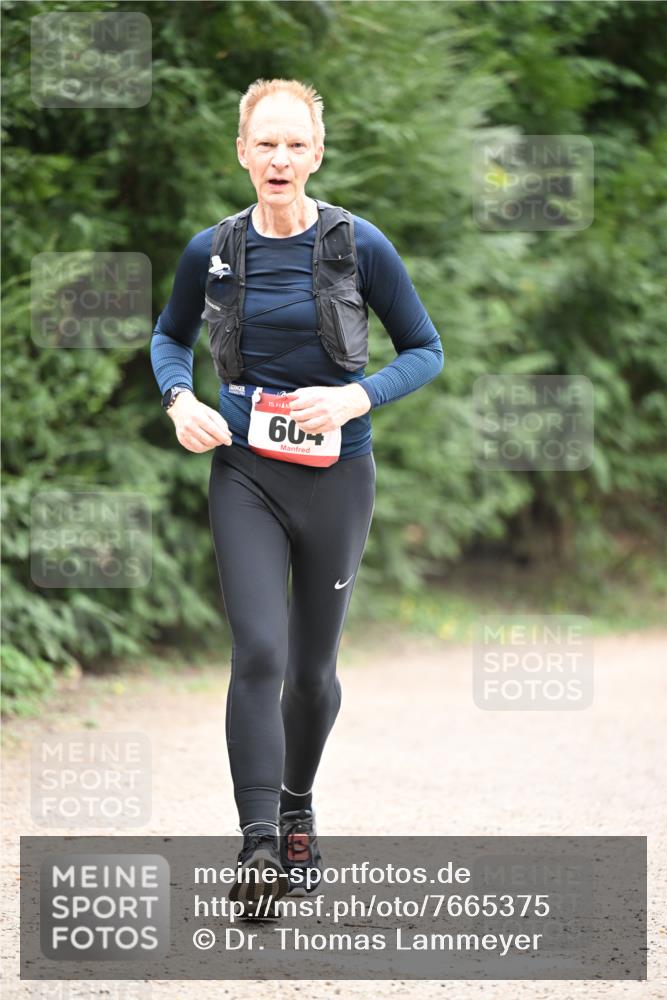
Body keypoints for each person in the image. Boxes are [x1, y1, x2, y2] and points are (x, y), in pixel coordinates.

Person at [150, 77, 444, 913]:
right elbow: (169, 337)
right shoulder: (212, 250)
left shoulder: (358, 245)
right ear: (242, 152)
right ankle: (257, 845)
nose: (279, 158)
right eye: (265, 143)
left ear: (316, 154)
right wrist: (181, 400)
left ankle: (297, 808)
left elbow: (424, 350)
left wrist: (357, 396)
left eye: (295, 144)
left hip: (337, 477)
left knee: (311, 674)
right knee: (259, 652)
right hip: (244, 471)